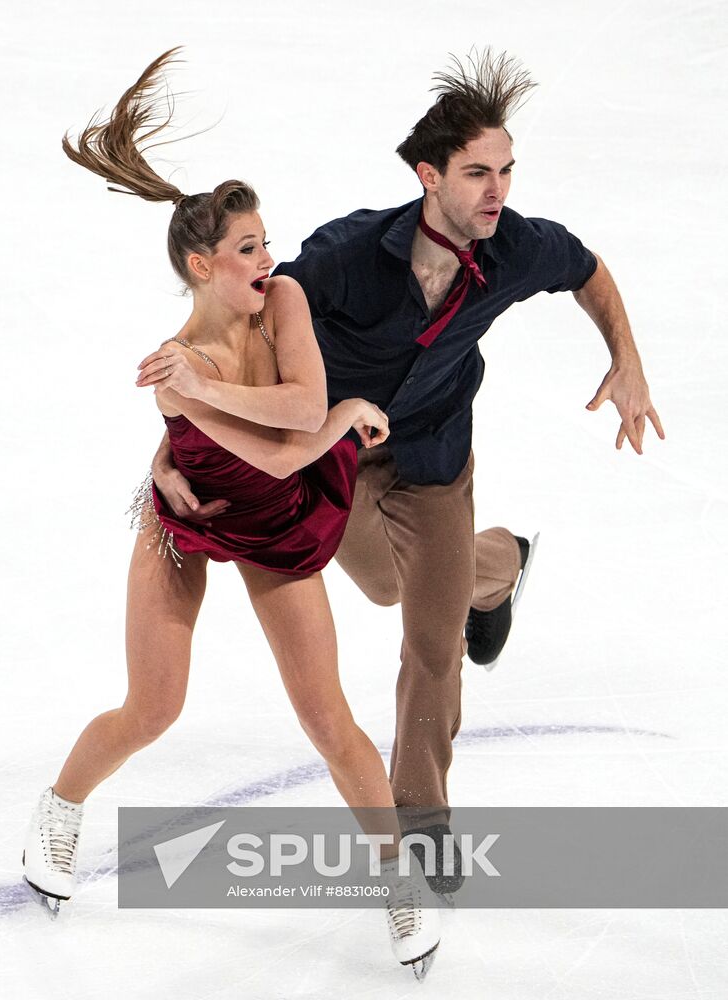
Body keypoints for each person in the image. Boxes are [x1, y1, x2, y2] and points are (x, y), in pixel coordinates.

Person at [152, 48, 665, 893]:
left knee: (430, 642)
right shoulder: (343, 258)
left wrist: (628, 359)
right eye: (475, 173)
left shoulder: (516, 250)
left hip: (432, 454)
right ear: (429, 176)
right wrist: (173, 444)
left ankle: (421, 817)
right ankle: (497, 567)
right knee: (388, 588)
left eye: (504, 170)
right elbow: (234, 350)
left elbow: (588, 270)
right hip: (334, 457)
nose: (496, 190)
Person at [22, 49, 440, 980]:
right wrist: (217, 414)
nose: (269, 258)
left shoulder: (280, 300)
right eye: (248, 249)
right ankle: (59, 809)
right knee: (152, 708)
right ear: (203, 265)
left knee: (328, 718)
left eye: (265, 241)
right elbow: (291, 439)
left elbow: (299, 413)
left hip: (276, 522)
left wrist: (309, 409)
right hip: (185, 522)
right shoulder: (172, 369)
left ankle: (397, 882)